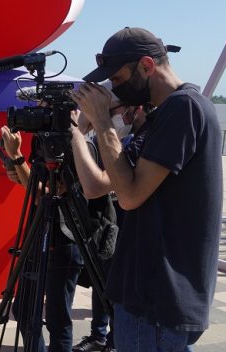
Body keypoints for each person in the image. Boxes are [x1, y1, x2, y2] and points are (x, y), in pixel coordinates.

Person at [71, 27, 222, 352]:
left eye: (119, 79)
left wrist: (102, 122)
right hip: (153, 297)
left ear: (147, 66)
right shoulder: (170, 113)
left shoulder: (184, 109)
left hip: (156, 298)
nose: (115, 89)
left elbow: (128, 195)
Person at [0, 96, 130, 352]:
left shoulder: (75, 145)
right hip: (41, 233)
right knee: (25, 310)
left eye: (43, 109)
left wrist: (16, 158)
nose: (38, 114)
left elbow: (48, 194)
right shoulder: (43, 141)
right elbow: (38, 187)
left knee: (58, 320)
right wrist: (20, 172)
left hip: (65, 238)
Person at [69, 99, 148, 352]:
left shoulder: (140, 140)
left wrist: (77, 130)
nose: (110, 117)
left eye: (112, 111)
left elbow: (96, 185)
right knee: (102, 278)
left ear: (134, 108)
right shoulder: (109, 138)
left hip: (128, 222)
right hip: (108, 217)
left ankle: (112, 340)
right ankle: (100, 335)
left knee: (116, 284)